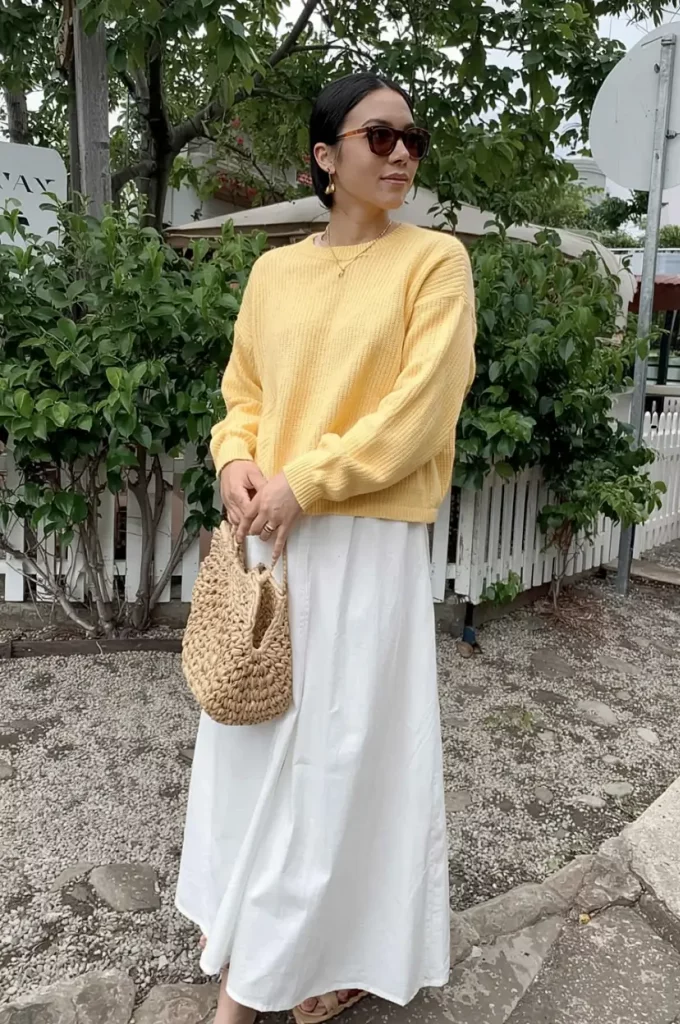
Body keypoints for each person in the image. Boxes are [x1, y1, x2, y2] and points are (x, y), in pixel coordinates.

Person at [175, 72, 476, 1024]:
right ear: (326, 155)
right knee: (260, 753)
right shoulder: (274, 272)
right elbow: (245, 392)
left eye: (411, 139)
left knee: (340, 766)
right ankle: (300, 957)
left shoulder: (434, 263)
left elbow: (420, 412)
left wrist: (310, 479)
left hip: (364, 547)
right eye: (378, 136)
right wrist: (233, 462)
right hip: (272, 544)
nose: (400, 154)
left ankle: (251, 992)